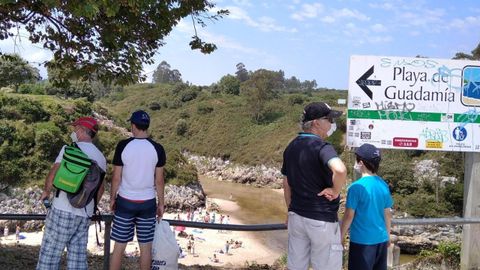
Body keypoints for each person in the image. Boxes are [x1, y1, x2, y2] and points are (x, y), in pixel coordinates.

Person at [281, 102, 347, 270]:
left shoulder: (291, 147)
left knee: (296, 266)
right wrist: (335, 190)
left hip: (297, 217)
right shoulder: (322, 147)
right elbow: (340, 170)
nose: (332, 124)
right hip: (321, 220)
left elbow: (287, 183)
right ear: (317, 123)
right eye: (329, 119)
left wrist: (290, 210)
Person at [37, 117, 107, 270]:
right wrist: (89, 206)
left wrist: (46, 192)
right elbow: (100, 189)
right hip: (84, 214)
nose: (74, 132)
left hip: (62, 208)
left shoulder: (69, 148)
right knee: (77, 260)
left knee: (49, 257)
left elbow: (53, 173)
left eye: (75, 129)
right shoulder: (101, 158)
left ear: (82, 130)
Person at [109, 110, 166, 270]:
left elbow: (116, 177)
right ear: (147, 126)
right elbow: (159, 180)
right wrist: (161, 204)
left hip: (125, 202)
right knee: (145, 248)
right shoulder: (158, 148)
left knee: (119, 247)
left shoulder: (123, 146)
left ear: (133, 125)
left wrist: (112, 199)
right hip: (148, 203)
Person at [340, 143, 393, 270]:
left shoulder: (356, 187)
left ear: (361, 162)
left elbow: (349, 216)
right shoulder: (383, 185)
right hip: (381, 240)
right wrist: (388, 236)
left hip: (362, 242)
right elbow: (387, 214)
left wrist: (340, 236)